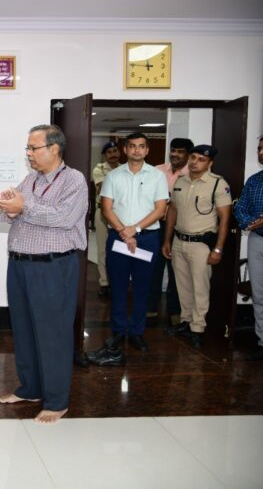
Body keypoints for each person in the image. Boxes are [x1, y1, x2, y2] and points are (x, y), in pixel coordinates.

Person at [0, 124, 88, 424]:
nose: (29, 154)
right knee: (24, 331)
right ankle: (30, 388)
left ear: (54, 149)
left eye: (34, 148)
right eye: (28, 149)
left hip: (52, 267)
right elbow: (18, 212)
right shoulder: (30, 179)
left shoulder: (73, 180)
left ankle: (57, 401)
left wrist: (24, 206)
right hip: (20, 265)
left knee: (53, 335)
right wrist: (9, 208)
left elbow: (64, 217)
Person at [87, 132, 168, 366]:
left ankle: (137, 332)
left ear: (147, 150)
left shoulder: (157, 176)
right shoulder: (113, 176)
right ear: (126, 149)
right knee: (119, 286)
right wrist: (124, 231)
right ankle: (118, 331)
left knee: (142, 287)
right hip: (118, 236)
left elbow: (160, 209)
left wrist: (135, 229)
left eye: (141, 146)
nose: (136, 150)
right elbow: (106, 209)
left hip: (147, 238)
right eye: (132, 146)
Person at [162, 145, 231, 348]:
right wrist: (167, 240)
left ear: (210, 163)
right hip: (179, 242)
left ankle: (198, 328)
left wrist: (218, 249)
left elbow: (225, 219)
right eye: (193, 157)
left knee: (200, 288)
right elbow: (172, 211)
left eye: (201, 159)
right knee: (182, 285)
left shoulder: (218, 184)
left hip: (201, 245)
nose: (194, 162)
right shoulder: (180, 181)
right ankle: (186, 321)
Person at [234, 133, 263, 361]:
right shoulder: (254, 180)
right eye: (260, 149)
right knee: (261, 296)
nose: (262, 152)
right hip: (258, 241)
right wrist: (251, 222)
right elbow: (240, 208)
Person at [149, 137, 193, 323]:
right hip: (156, 226)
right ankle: (150, 308)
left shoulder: (192, 174)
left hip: (179, 227)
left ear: (189, 155)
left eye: (180, 151)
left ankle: (175, 311)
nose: (175, 154)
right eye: (173, 150)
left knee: (177, 271)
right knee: (153, 268)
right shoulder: (157, 170)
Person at [92, 141, 121, 298]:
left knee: (119, 248)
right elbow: (103, 188)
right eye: (109, 152)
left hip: (121, 213)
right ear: (104, 155)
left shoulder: (126, 168)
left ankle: (118, 281)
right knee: (103, 248)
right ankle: (104, 282)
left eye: (115, 151)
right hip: (103, 212)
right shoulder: (99, 169)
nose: (113, 154)